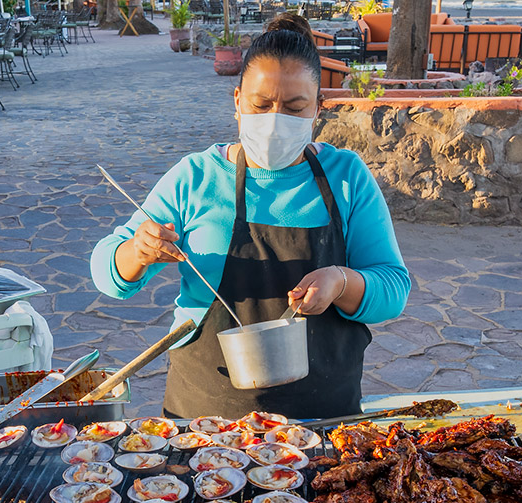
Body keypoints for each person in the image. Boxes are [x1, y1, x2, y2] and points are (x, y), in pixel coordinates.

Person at [90, 13, 410, 420]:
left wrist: (341, 281)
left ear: (319, 108)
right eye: (261, 105)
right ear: (238, 101)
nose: (275, 121)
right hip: (205, 418)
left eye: (295, 108)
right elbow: (108, 275)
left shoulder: (346, 177)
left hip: (323, 419)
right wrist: (137, 251)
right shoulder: (196, 177)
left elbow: (393, 287)